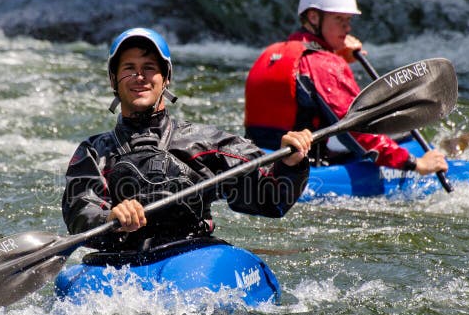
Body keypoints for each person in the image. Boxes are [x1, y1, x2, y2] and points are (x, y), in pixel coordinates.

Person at [62, 27, 313, 253]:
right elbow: (80, 209)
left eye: (149, 67)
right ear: (113, 80)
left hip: (191, 259)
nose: (139, 76)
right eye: (129, 68)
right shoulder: (94, 152)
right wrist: (109, 219)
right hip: (122, 266)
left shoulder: (205, 142)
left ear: (166, 78)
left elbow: (270, 199)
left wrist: (290, 165)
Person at [244, 0, 448, 175]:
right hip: (299, 167)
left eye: (348, 20)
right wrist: (413, 163)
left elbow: (304, 84)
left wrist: (335, 54)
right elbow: (359, 126)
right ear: (314, 18)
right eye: (339, 19)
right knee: (401, 137)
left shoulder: (271, 52)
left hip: (262, 157)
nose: (348, 28)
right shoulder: (325, 64)